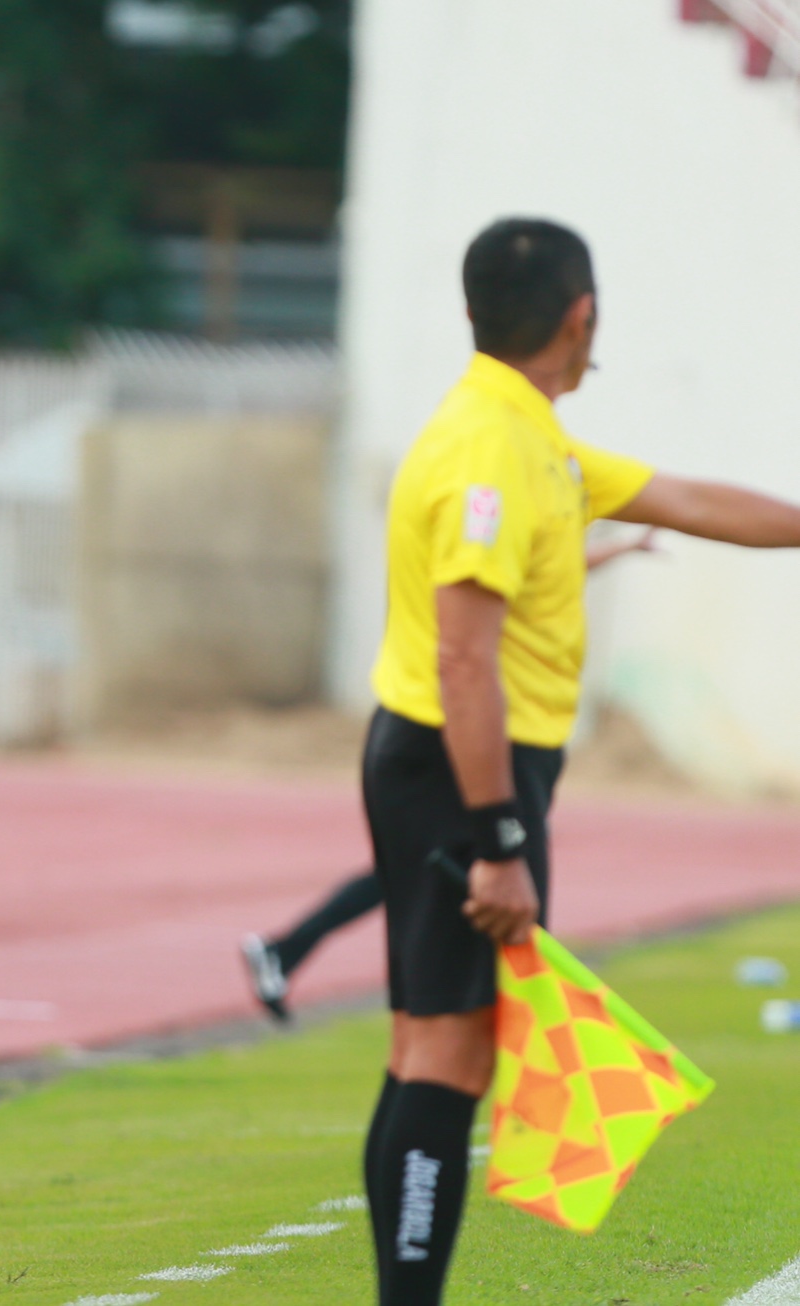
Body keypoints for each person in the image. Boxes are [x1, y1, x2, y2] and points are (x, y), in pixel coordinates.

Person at [359, 216, 800, 1306]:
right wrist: (501, 843)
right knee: (447, 1057)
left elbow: (688, 500)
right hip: (462, 770)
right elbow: (466, 661)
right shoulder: (489, 449)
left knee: (431, 1042)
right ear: (582, 315)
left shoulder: (528, 431)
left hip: (458, 767)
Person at [239, 530, 659, 1023]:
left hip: (448, 738)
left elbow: (556, 575)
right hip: (450, 740)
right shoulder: (470, 578)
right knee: (417, 872)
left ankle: (288, 950)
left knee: (403, 873)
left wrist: (621, 549)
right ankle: (291, 951)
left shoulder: (490, 579)